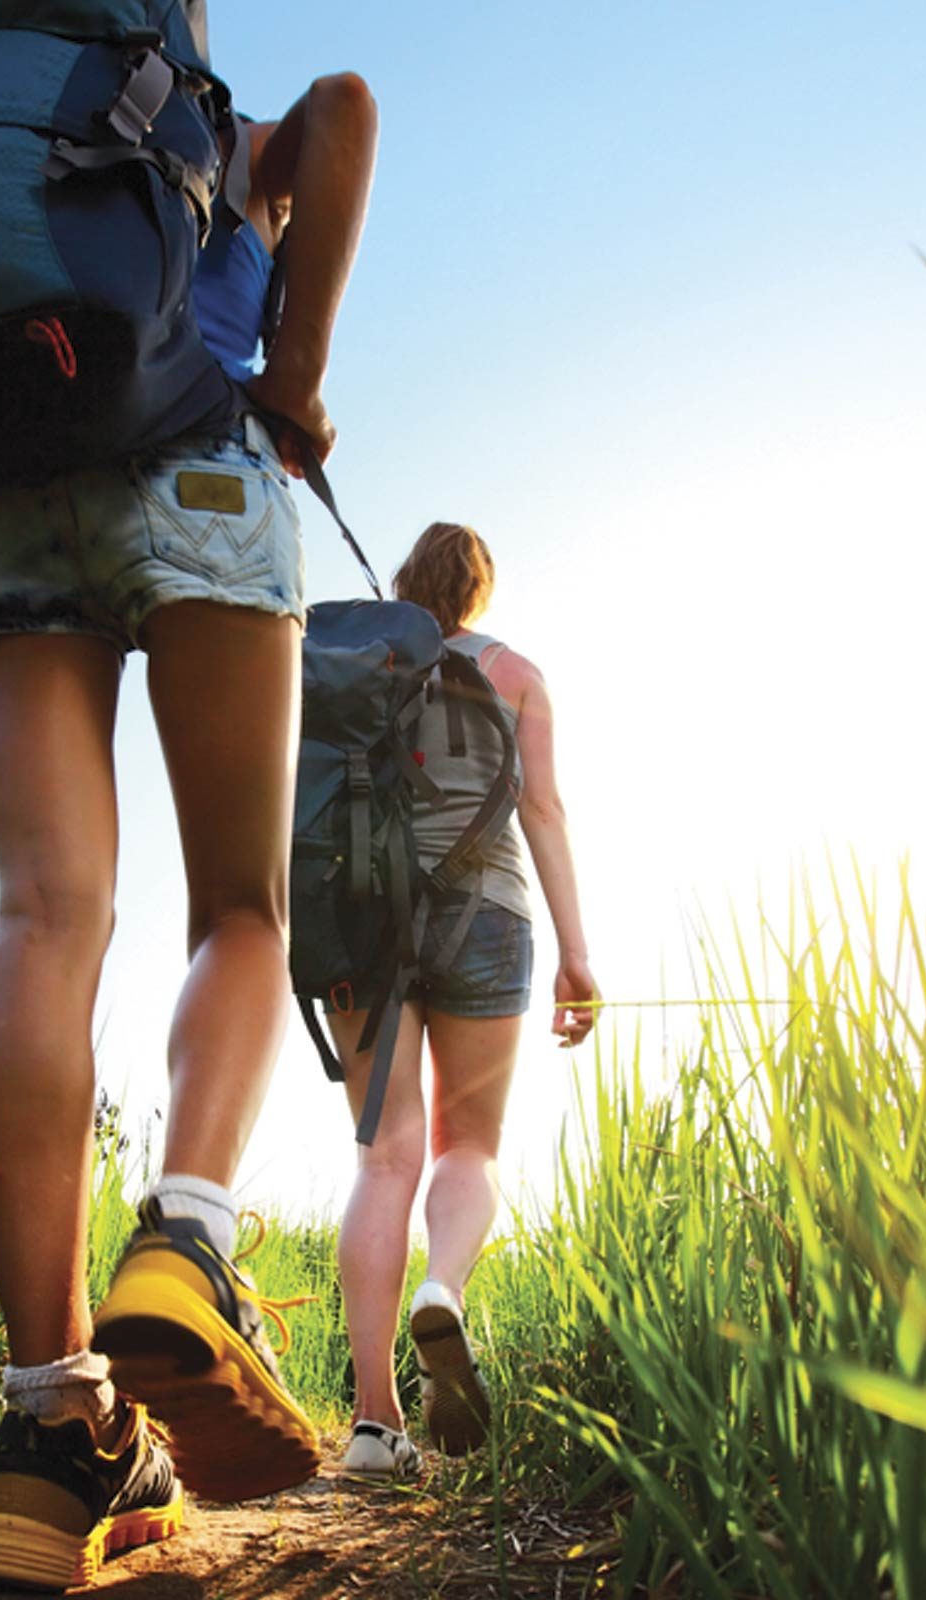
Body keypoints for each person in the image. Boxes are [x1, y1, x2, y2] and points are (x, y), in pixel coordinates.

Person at [0, 6, 378, 1588]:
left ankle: (55, 1432)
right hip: (199, 466)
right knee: (244, 908)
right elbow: (343, 109)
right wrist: (301, 375)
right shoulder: (185, 120)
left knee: (46, 913)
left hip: (3, 504)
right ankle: (188, 1245)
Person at [325, 522, 599, 1482]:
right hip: (488, 914)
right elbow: (545, 812)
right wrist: (577, 955)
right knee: (466, 1146)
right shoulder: (516, 671)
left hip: (361, 919)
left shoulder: (354, 659)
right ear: (479, 591)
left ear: (404, 580)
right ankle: (441, 1286)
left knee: (383, 1157)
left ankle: (373, 1425)